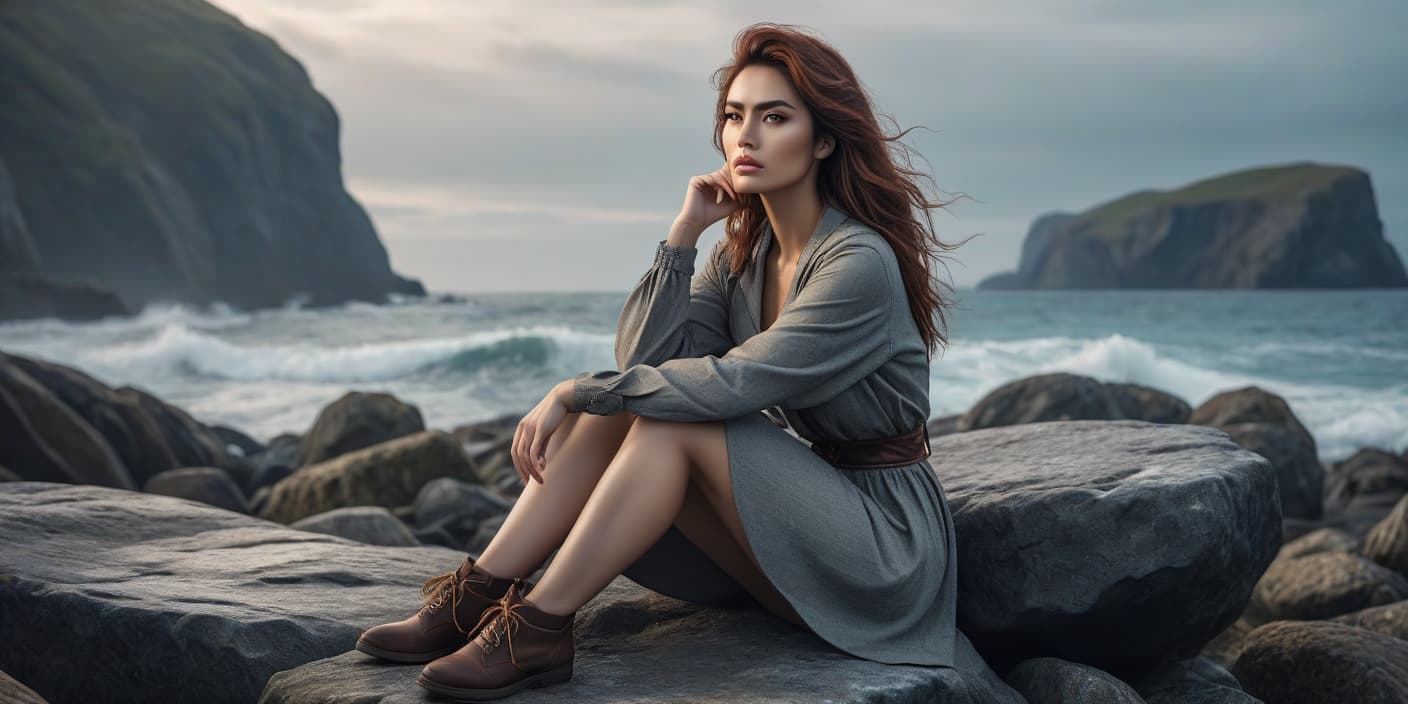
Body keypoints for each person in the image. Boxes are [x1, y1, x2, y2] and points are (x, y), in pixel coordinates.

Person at [356, 21, 972, 701]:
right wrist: (683, 236)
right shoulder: (742, 254)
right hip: (797, 532)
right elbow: (644, 361)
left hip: (883, 550)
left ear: (823, 139)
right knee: (627, 407)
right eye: (735, 116)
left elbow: (736, 383)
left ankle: (536, 629)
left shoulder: (858, 264)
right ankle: (477, 598)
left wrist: (576, 389)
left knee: (662, 413)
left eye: (774, 117)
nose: (747, 136)